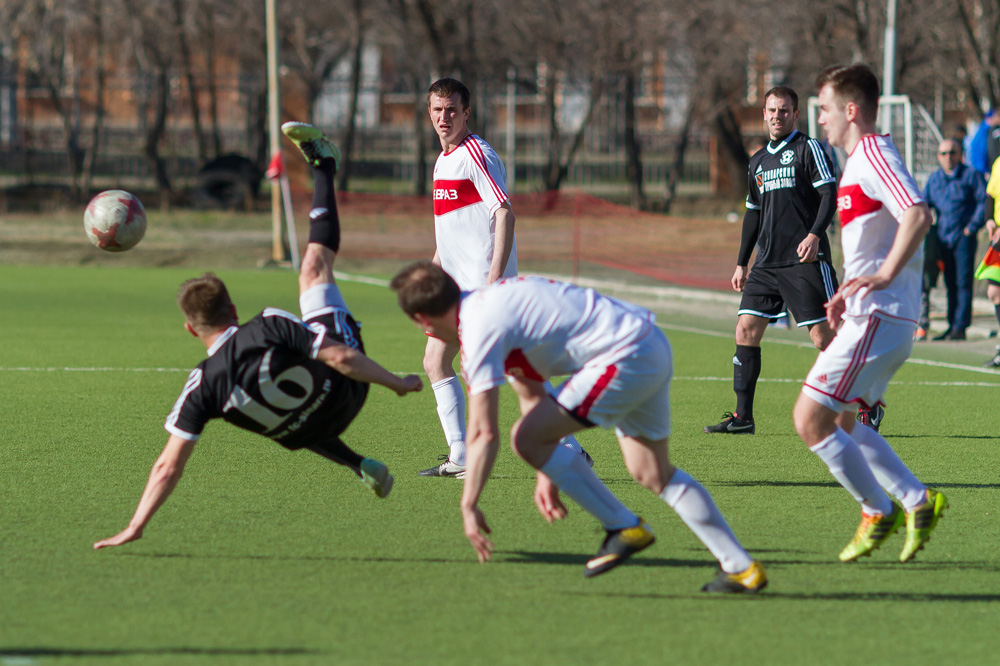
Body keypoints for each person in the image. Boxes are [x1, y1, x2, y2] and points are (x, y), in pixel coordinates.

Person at [93, 123, 423, 550]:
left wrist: (135, 526)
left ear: (190, 329)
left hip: (309, 430)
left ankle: (356, 463)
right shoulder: (266, 324)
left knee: (275, 402)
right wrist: (397, 383)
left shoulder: (202, 387)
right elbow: (340, 358)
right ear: (233, 310)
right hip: (349, 392)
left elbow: (167, 467)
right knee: (313, 271)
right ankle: (324, 165)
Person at [390, 261, 768, 593]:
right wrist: (549, 469)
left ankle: (623, 527)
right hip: (649, 344)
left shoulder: (477, 329)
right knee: (652, 472)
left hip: (623, 357)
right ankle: (741, 568)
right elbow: (531, 391)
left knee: (524, 438)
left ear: (423, 321)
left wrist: (469, 504)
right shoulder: (493, 302)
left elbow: (483, 433)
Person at [796, 64, 947, 564]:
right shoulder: (858, 162)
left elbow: (918, 214)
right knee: (840, 421)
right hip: (870, 315)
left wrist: (882, 277)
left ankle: (877, 510)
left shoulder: (875, 154)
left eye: (824, 109)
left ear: (851, 110)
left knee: (809, 419)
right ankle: (916, 501)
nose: (820, 119)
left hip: (880, 316)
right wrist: (846, 291)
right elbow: (874, 240)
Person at [419, 77, 584, 478]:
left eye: (452, 109)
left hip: (483, 288)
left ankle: (569, 448)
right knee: (437, 360)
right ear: (429, 112)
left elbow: (504, 212)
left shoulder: (477, 153)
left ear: (467, 112)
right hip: (456, 290)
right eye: (438, 109)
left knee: (513, 370)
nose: (444, 117)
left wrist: (493, 282)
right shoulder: (443, 160)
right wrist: (430, 274)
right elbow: (451, 232)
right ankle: (461, 454)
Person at [705, 86, 841, 436]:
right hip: (766, 264)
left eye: (784, 110)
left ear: (796, 114)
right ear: (764, 114)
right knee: (745, 330)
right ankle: (743, 417)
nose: (777, 116)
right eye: (772, 110)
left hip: (803, 261)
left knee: (824, 339)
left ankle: (867, 403)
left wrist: (815, 234)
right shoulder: (757, 161)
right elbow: (753, 213)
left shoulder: (808, 148)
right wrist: (742, 262)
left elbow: (829, 194)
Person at [922, 139, 986, 340]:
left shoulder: (970, 175)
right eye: (943, 153)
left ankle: (960, 327)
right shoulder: (935, 179)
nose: (948, 157)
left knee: (962, 282)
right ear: (938, 156)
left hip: (963, 237)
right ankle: (951, 325)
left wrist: (971, 227)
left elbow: (983, 201)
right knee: (949, 281)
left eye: (952, 152)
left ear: (960, 154)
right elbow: (924, 203)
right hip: (943, 237)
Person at [977, 155, 1000, 366]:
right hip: (998, 237)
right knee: (994, 292)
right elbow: (990, 195)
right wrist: (990, 219)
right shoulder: (998, 163)